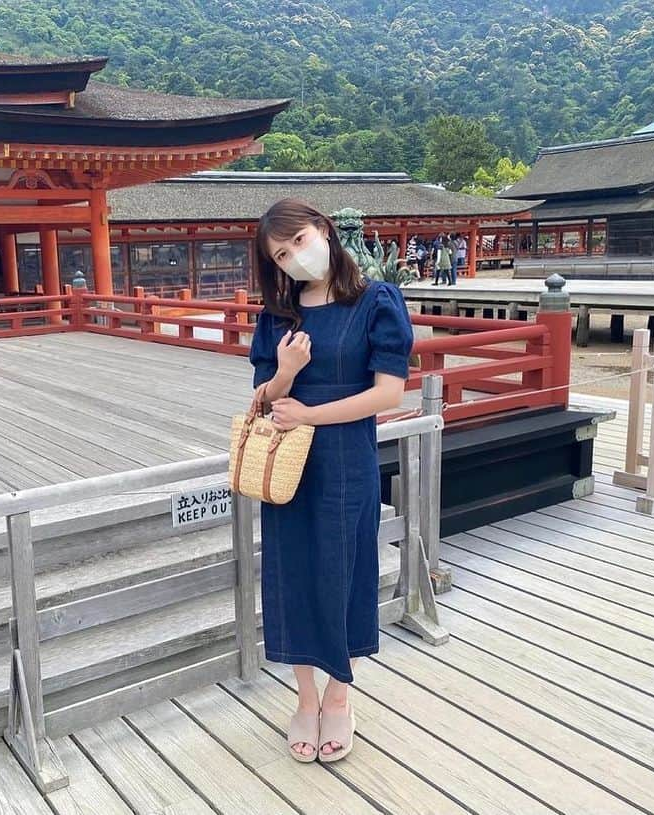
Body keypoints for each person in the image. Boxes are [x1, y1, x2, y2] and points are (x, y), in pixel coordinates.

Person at [249, 198, 413, 764]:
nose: (295, 256)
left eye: (298, 240)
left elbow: (389, 394)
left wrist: (312, 413)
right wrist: (286, 372)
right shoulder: (277, 314)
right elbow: (261, 398)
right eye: (281, 254)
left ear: (322, 229)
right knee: (292, 571)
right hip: (290, 464)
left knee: (343, 571)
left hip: (345, 458)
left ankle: (339, 695)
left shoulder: (375, 301)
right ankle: (305, 697)